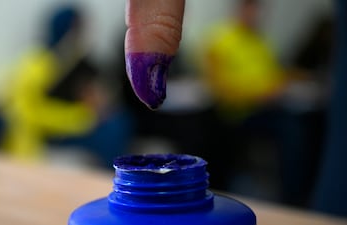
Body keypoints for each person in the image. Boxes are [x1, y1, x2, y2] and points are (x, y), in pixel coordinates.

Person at [124, 0, 346, 217]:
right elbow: (221, 88)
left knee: (310, 122)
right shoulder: (220, 38)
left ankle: (297, 201)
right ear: (240, 9)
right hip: (238, 113)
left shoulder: (262, 41)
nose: (255, 15)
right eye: (250, 9)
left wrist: (287, 84)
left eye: (258, 11)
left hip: (270, 108)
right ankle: (294, 199)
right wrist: (260, 93)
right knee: (292, 130)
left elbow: (276, 76)